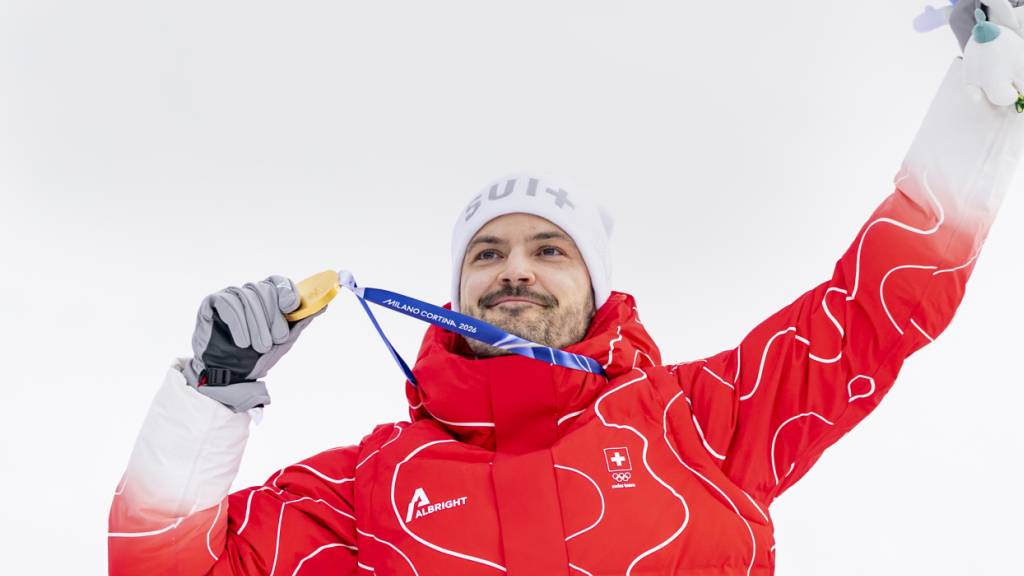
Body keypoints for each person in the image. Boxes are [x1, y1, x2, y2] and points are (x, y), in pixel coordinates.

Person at [108, 3, 1024, 574]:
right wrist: (212, 396)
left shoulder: (702, 422)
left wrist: (975, 113)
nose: (514, 268)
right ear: (456, 288)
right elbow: (167, 569)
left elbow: (877, 312)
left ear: (596, 286)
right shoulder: (369, 488)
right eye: (488, 252)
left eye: (550, 250)